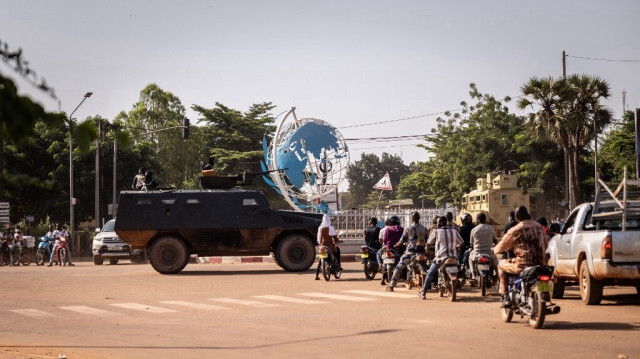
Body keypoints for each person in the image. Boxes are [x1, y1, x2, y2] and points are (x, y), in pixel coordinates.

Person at [493, 206, 548, 306]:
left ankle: (505, 295)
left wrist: (495, 250)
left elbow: (500, 247)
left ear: (516, 218)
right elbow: (546, 244)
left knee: (501, 264)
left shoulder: (515, 229)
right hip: (541, 263)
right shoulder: (539, 227)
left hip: (523, 265)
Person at [418, 216, 463, 299]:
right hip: (453, 257)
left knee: (430, 274)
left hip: (440, 258)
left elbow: (428, 243)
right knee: (460, 269)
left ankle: (423, 292)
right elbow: (461, 243)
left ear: (442, 222)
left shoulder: (436, 231)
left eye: (438, 222)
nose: (437, 224)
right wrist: (457, 249)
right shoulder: (454, 231)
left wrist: (427, 250)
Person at [387, 212, 428, 291]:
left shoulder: (408, 228)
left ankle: (391, 285)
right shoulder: (424, 229)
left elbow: (402, 240)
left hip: (410, 253)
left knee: (398, 267)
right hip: (421, 252)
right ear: (419, 218)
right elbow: (427, 240)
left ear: (412, 218)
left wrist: (396, 245)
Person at [468, 212, 499, 278]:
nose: (475, 221)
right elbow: (495, 240)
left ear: (478, 220)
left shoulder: (473, 230)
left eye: (476, 219)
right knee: (496, 265)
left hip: (477, 253)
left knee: (470, 257)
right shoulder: (490, 228)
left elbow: (471, 243)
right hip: (489, 253)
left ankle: (473, 275)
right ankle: (498, 276)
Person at [315, 213, 341, 280]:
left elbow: (319, 238)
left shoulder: (320, 228)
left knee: (320, 261)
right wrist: (337, 241)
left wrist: (320, 243)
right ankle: (338, 265)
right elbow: (334, 237)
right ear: (329, 220)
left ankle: (317, 275)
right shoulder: (330, 228)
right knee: (337, 252)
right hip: (330, 245)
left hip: (323, 246)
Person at [380, 216, 404, 285]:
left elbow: (384, 240)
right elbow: (405, 238)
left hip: (389, 248)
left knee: (385, 261)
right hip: (399, 249)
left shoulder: (388, 229)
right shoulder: (402, 229)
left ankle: (383, 278)